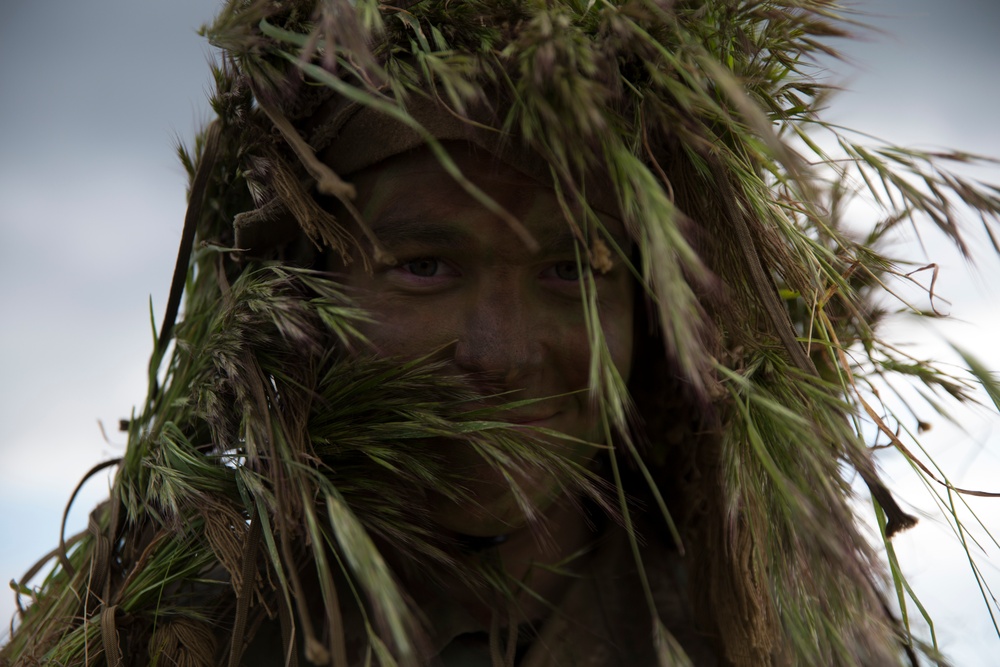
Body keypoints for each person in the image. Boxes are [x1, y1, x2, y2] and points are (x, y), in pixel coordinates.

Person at [4, 1, 998, 665]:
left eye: (572, 271)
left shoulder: (761, 620)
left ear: (647, 317)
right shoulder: (182, 625)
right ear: (297, 297)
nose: (501, 349)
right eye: (425, 266)